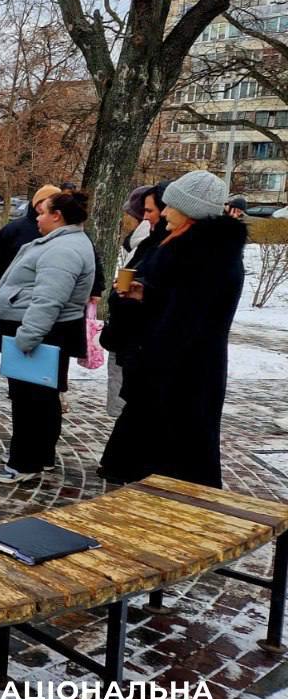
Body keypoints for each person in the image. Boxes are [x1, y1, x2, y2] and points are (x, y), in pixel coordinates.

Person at [99, 172, 245, 488]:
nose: (164, 212)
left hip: (182, 374)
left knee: (176, 462)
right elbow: (183, 302)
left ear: (189, 209)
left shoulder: (204, 253)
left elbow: (187, 319)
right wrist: (147, 293)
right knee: (166, 457)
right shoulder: (198, 247)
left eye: (170, 206)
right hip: (180, 370)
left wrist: (148, 358)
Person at [0, 191, 96, 483]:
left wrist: (27, 337)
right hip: (44, 331)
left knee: (31, 401)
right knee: (41, 398)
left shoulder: (64, 249)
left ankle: (25, 462)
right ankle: (39, 455)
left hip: (43, 333)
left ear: (57, 216)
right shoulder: (64, 242)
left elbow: (49, 299)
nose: (37, 217)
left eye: (42, 212)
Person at [104, 185, 153, 417]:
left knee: (126, 407)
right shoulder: (139, 243)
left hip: (131, 338)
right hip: (125, 337)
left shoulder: (149, 243)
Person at [0, 184, 61, 297]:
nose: (43, 205)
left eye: (49, 201)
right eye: (41, 201)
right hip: (14, 294)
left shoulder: (67, 231)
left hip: (53, 294)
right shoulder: (14, 229)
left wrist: (94, 289)